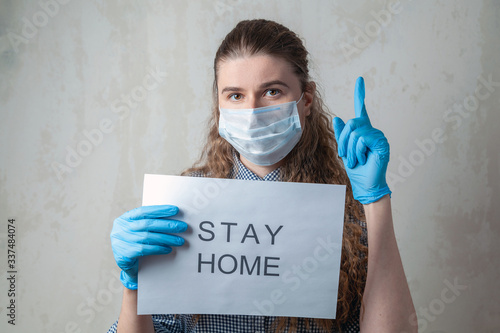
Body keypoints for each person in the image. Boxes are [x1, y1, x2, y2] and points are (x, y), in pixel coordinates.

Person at [108, 19, 416, 333]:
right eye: (236, 96)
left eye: (271, 91)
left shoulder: (346, 214)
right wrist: (134, 285)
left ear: (306, 99)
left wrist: (376, 201)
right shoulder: (185, 207)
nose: (252, 112)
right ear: (219, 105)